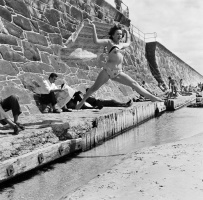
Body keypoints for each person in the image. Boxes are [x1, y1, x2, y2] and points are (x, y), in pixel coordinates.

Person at [76, 20, 163, 110]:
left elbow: (129, 42)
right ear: (113, 35)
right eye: (117, 34)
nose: (119, 36)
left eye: (121, 34)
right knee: (94, 88)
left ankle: (153, 98)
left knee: (134, 83)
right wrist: (93, 27)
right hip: (108, 71)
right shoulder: (109, 42)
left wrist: (127, 33)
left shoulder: (122, 44)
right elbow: (96, 41)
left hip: (118, 72)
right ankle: (81, 103)